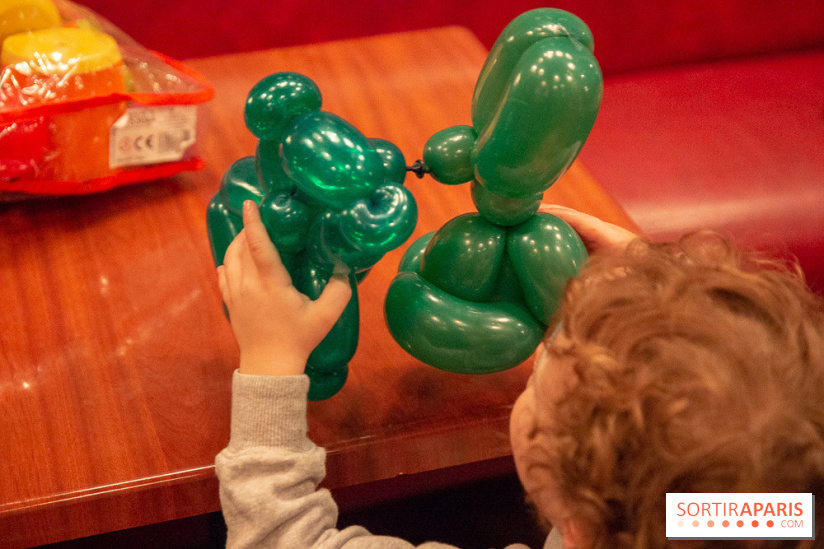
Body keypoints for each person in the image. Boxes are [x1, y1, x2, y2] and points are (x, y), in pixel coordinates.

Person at [215, 200, 824, 548]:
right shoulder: (772, 511)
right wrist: (664, 288)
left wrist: (272, 360)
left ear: (575, 522)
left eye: (544, 371)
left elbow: (282, 538)